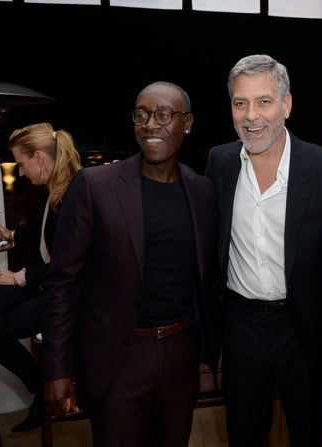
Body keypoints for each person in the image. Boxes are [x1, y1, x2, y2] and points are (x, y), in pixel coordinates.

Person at [41, 81, 221, 447]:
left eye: (163, 114)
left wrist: (211, 356)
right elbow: (62, 283)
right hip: (118, 359)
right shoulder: (95, 186)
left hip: (180, 356)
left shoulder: (202, 191)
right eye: (141, 114)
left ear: (186, 123)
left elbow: (209, 280)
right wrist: (57, 368)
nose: (150, 124)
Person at [204, 54, 322, 447]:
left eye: (264, 101)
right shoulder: (220, 162)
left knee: (306, 432)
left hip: (303, 328)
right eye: (240, 102)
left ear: (286, 105)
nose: (251, 116)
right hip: (241, 324)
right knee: (244, 432)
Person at [0, 122, 82, 445]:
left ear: (38, 157)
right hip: (43, 287)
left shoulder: (75, 194)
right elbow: (41, 235)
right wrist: (10, 234)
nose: (21, 173)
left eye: (21, 164)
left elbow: (66, 265)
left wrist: (19, 277)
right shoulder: (51, 191)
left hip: (67, 297)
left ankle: (31, 388)